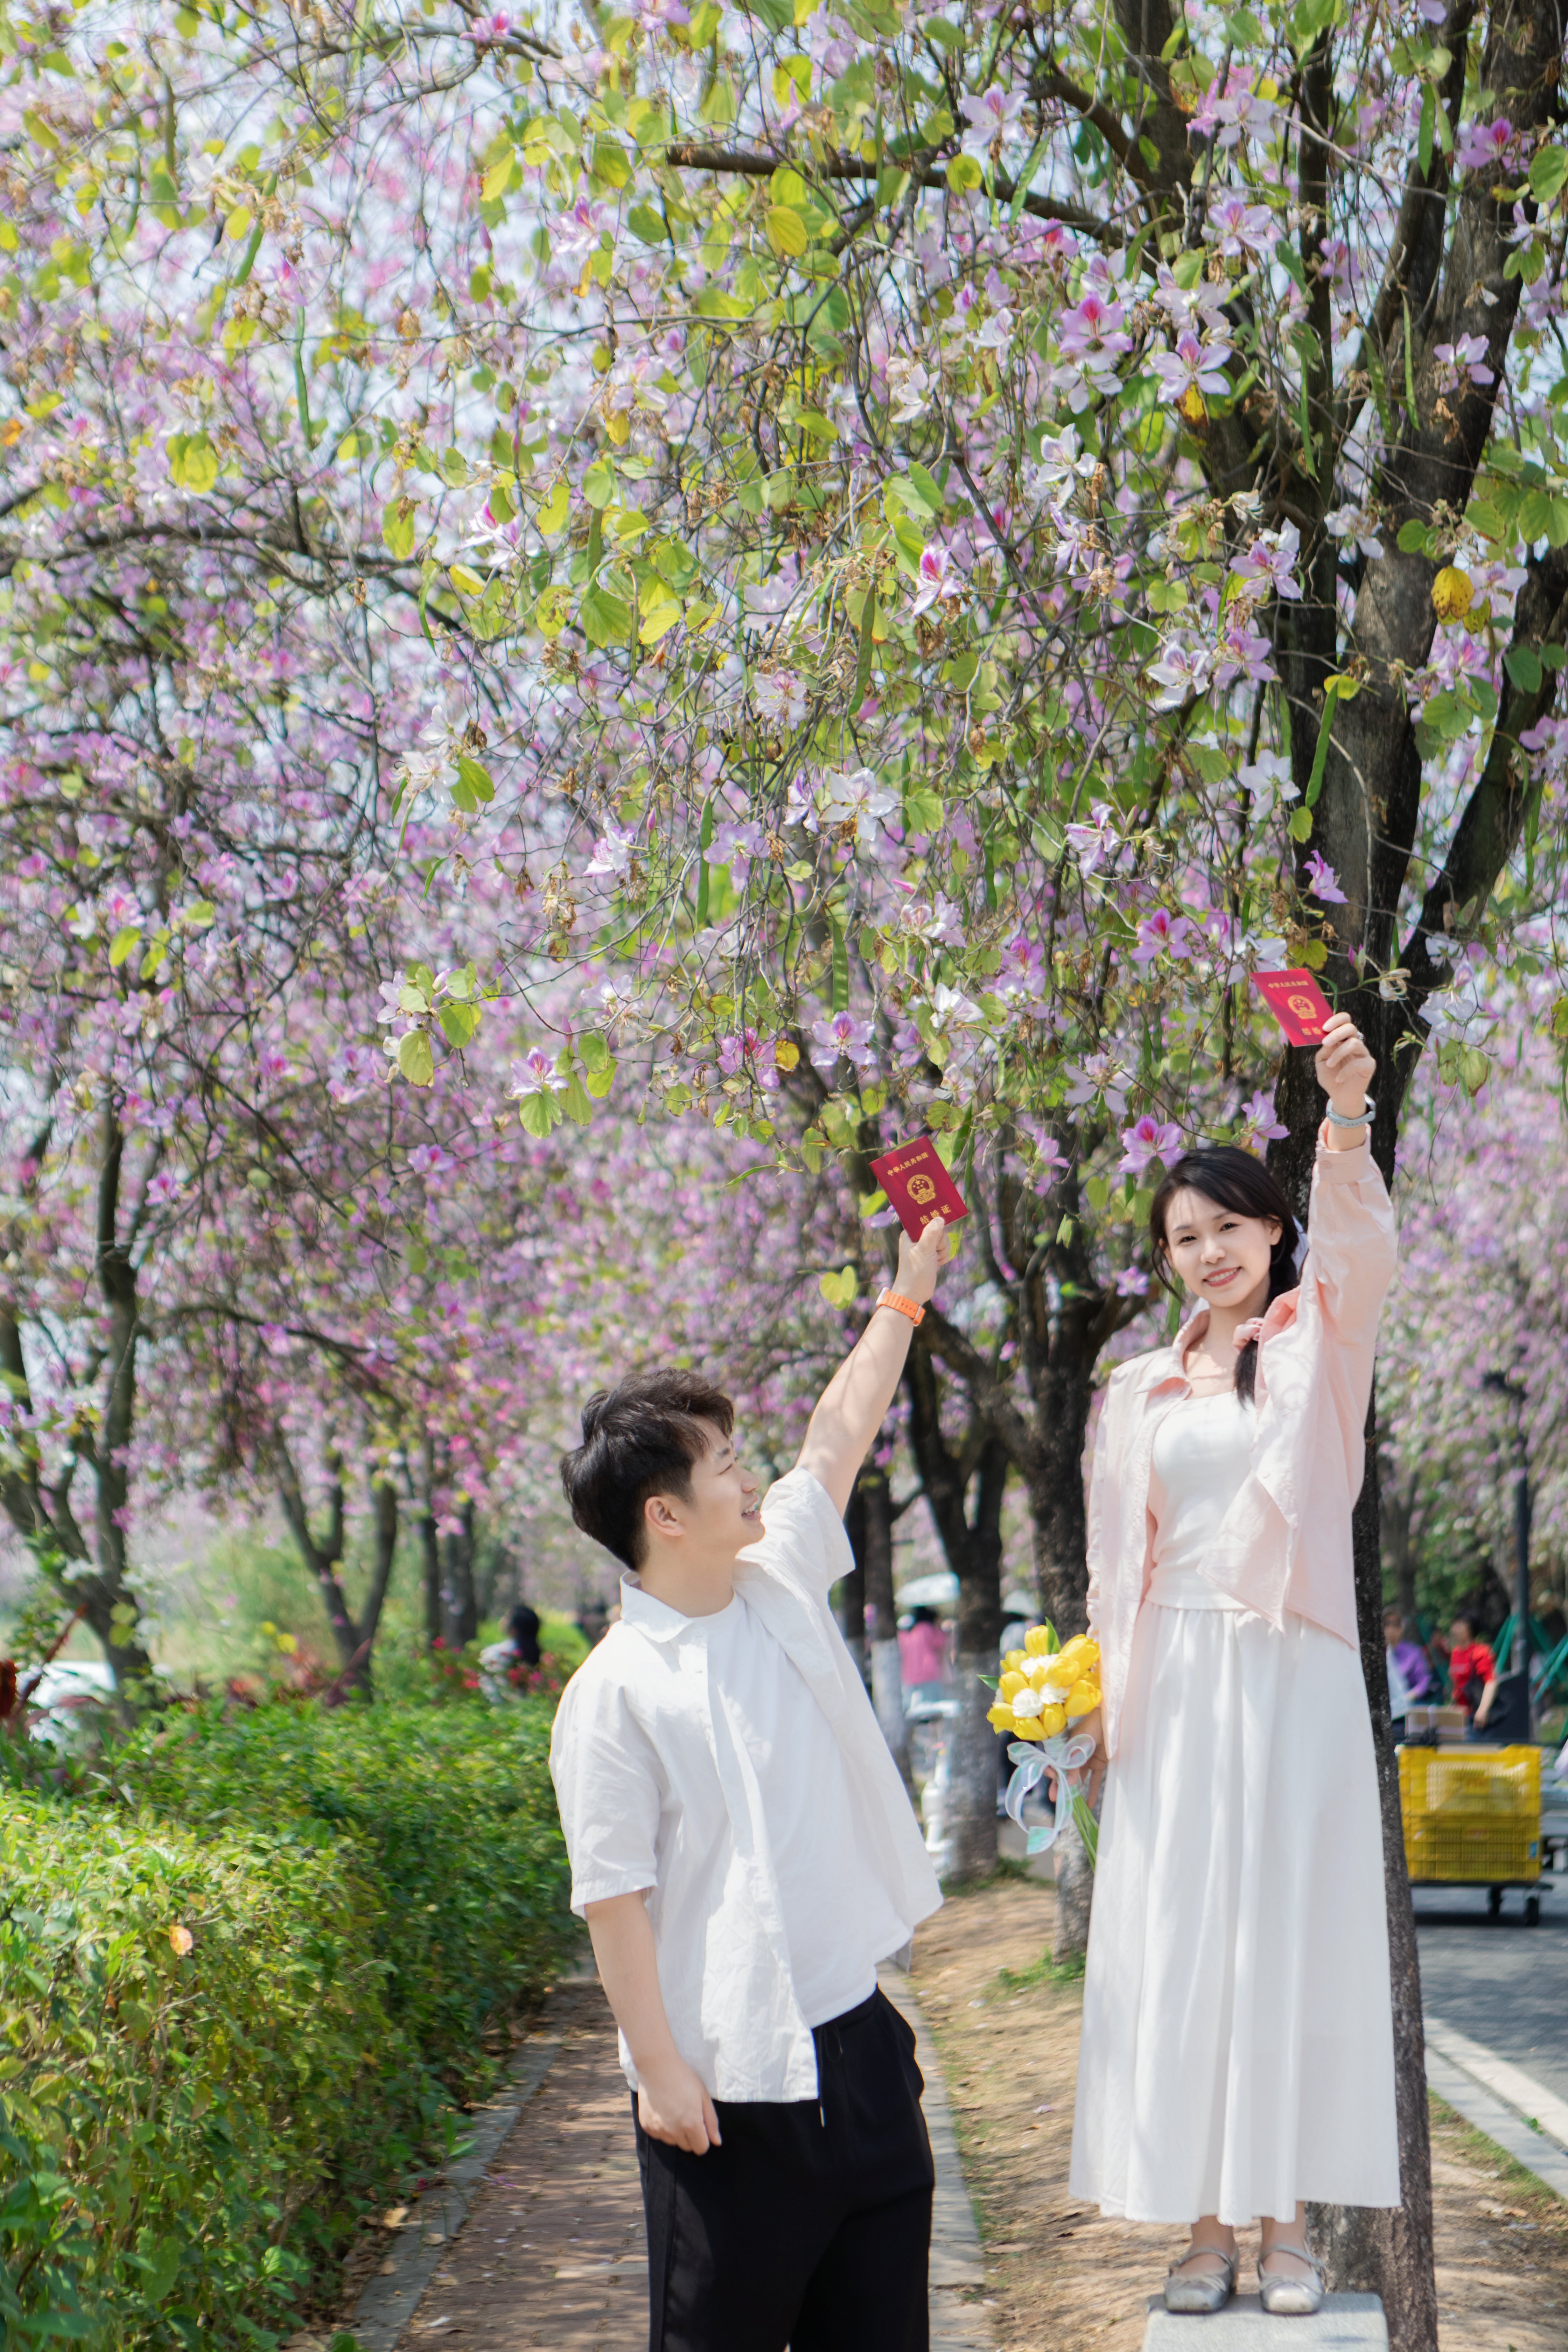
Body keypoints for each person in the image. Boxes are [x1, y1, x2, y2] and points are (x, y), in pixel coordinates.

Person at [549, 1216, 949, 2352]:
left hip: (860, 2050)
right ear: (665, 1514)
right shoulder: (613, 1692)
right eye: (724, 1462)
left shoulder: (776, 1578)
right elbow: (612, 1897)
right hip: (725, 2096)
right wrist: (659, 2072)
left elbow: (839, 1435)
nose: (749, 1473)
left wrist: (908, 1293)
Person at [1070, 1012, 1399, 2318]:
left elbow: (1360, 1244)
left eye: (1226, 1226)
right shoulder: (1134, 1389)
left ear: (1270, 1229)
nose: (1206, 1251)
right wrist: (1096, 1710)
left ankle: (1289, 2229)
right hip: (1173, 1684)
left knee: (1284, 1938)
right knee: (1185, 1947)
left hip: (1286, 1670)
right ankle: (1202, 2227)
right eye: (1182, 1236)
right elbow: (1114, 1565)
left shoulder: (1319, 1337)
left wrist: (1346, 1117)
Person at [477, 1599, 542, 1700]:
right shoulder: (539, 1655)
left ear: (514, 1629)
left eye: (507, 1617)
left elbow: (489, 1689)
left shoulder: (497, 1653)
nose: (503, 1620)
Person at [1448, 1612, 1499, 1727]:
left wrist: (1483, 1710)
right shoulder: (1455, 1652)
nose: (1455, 1628)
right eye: (1455, 1624)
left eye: (1460, 1624)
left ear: (1470, 1629)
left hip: (1475, 1715)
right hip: (1460, 1714)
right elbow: (1457, 1684)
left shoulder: (1480, 1652)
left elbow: (1491, 1682)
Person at [1384, 1608, 1433, 1710]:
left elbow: (1423, 1682)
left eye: (1395, 1625)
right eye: (1387, 1624)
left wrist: (1410, 1697)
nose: (1391, 1629)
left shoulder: (1414, 1653)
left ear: (1402, 1628)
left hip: (1407, 1706)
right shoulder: (1373, 1654)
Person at [898, 1605, 949, 1687]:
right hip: (929, 1673)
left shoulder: (909, 1633)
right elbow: (940, 1643)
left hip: (910, 1675)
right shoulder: (928, 1629)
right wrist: (940, 1629)